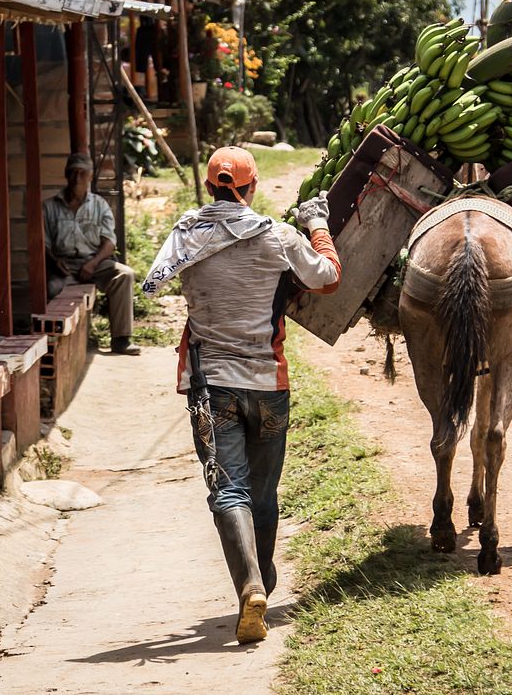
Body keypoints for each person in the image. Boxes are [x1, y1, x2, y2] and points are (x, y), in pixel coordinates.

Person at [142, 146, 340, 644]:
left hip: (211, 388)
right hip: (268, 385)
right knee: (264, 491)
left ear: (210, 187)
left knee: (228, 490)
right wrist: (317, 225)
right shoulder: (278, 235)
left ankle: (250, 584)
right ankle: (264, 583)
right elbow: (327, 277)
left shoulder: (188, 234)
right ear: (251, 188)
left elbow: (151, 284)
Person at [44, 153, 140, 356]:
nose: (77, 178)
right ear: (66, 175)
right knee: (52, 289)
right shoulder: (49, 207)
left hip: (96, 262)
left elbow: (109, 242)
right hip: (66, 266)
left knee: (125, 275)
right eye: (73, 173)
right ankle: (55, 346)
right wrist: (55, 261)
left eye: (82, 173)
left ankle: (121, 339)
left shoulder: (99, 205)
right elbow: (43, 244)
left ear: (90, 176)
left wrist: (93, 263)